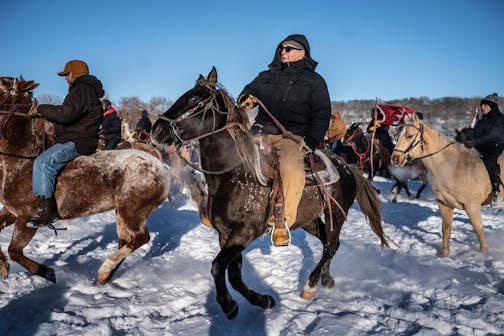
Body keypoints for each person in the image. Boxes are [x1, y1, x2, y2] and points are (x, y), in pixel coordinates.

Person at [237, 34, 331, 246]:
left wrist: (312, 139)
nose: (283, 52)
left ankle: (282, 221)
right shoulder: (266, 76)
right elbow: (249, 92)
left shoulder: (315, 81)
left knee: (291, 167)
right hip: (260, 133)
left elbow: (322, 113)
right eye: (282, 48)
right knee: (229, 153)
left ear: (302, 53)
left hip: (291, 136)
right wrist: (245, 99)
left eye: (289, 49)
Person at [27, 60, 104, 228]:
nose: (65, 78)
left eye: (66, 74)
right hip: (78, 137)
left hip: (79, 141)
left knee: (43, 162)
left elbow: (66, 114)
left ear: (73, 74)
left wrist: (41, 109)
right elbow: (69, 116)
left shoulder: (81, 90)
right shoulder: (84, 90)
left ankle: (47, 211)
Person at [458, 93, 504, 206]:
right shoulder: (482, 120)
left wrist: (475, 142)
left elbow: (493, 135)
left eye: (485, 105)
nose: (482, 107)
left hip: (495, 146)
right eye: (482, 105)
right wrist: (464, 134)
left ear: (492, 107)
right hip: (481, 145)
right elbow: (476, 133)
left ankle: (496, 191)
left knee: (489, 161)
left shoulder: (499, 119)